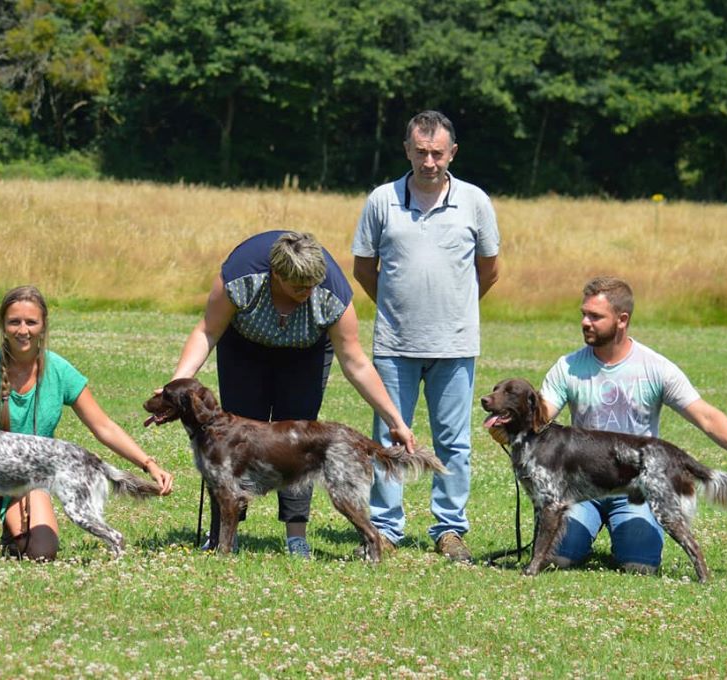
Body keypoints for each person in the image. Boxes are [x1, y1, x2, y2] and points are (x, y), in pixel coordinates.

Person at [169, 230, 416, 559]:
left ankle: (296, 538)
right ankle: (224, 538)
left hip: (305, 355)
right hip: (244, 349)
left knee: (301, 443)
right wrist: (179, 382)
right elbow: (208, 330)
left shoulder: (331, 293)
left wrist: (394, 419)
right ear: (276, 274)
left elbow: (355, 363)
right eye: (299, 286)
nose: (307, 292)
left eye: (312, 285)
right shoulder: (242, 276)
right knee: (226, 444)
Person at [539, 276, 727, 574]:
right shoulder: (568, 367)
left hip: (636, 486)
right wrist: (509, 423)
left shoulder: (655, 367)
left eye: (595, 316)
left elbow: (705, 416)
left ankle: (625, 533)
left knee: (639, 566)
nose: (585, 322)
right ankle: (584, 532)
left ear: (622, 319)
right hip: (582, 487)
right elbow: (541, 414)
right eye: (583, 314)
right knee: (556, 560)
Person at [352, 110, 500, 563]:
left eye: (438, 153)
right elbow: (363, 268)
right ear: (407, 150)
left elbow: (489, 269)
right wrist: (398, 311)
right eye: (421, 152)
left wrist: (454, 309)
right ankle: (385, 528)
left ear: (452, 153)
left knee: (454, 442)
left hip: (455, 346)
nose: (430, 162)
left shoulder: (475, 202)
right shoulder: (382, 200)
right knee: (391, 438)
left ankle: (450, 529)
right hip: (395, 346)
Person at [0, 285, 174, 560]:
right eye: (14, 322)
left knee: (43, 552)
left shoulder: (60, 371)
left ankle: (13, 531)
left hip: (31, 479)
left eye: (31, 322)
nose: (23, 330)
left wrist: (148, 464)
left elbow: (103, 427)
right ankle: (0, 527)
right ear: (2, 326)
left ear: (43, 326)